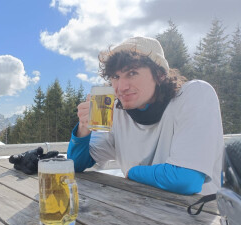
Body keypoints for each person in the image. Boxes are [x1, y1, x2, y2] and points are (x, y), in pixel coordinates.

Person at [67, 36, 224, 195]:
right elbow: (76, 164)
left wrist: (132, 172)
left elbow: (186, 180)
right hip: (142, 211)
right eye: (115, 77)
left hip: (199, 214)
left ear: (160, 75)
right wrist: (83, 128)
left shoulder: (194, 94)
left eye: (132, 73)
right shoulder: (116, 112)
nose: (121, 87)